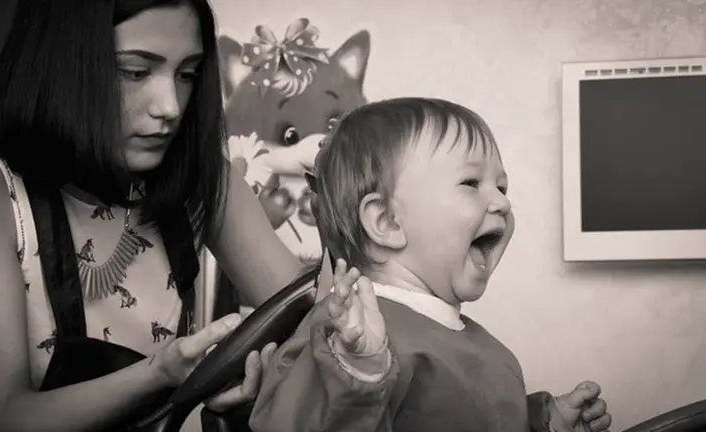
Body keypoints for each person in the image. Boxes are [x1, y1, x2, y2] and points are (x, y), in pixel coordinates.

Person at [0, 1, 310, 431]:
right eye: (135, 72)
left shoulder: (201, 178)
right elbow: (4, 419)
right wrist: (161, 373)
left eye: (187, 74)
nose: (170, 107)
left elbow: (311, 319)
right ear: (61, 63)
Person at [248, 97, 614, 431]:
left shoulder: (476, 343)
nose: (502, 203)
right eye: (471, 183)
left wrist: (545, 422)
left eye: (502, 187)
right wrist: (357, 371)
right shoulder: (342, 339)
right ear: (387, 222)